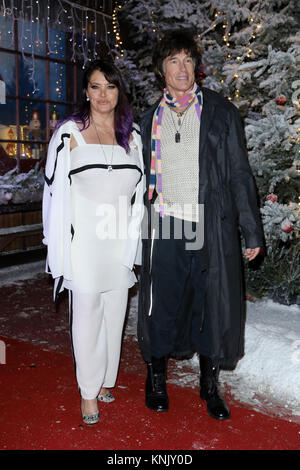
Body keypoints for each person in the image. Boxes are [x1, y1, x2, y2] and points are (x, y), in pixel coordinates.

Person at [137, 29, 264, 420]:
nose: (182, 68)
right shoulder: (149, 120)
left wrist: (251, 229)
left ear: (197, 66)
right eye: (173, 61)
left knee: (211, 306)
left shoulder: (221, 112)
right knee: (163, 305)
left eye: (188, 60)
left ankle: (209, 387)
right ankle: (156, 378)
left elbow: (240, 174)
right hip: (166, 227)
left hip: (210, 225)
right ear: (162, 69)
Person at [42, 59, 145, 425]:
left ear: (120, 92)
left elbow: (139, 195)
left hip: (118, 242)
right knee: (86, 315)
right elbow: (52, 194)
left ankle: (104, 381)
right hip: (82, 241)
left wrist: (136, 243)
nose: (103, 94)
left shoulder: (132, 137)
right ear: (86, 91)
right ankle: (88, 393)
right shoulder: (69, 133)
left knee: (114, 315)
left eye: (110, 87)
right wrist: (55, 245)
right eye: (96, 86)